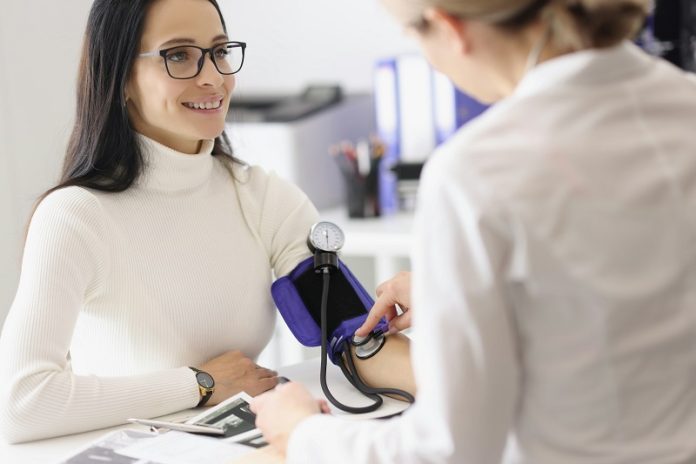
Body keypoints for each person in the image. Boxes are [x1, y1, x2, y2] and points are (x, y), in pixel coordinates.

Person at [250, 0, 696, 462]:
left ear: (449, 28)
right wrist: (471, 292)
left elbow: (448, 450)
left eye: (414, 37)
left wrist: (301, 432)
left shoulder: (477, 171)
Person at [0, 0, 310, 444]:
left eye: (219, 52)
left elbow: (353, 336)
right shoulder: (75, 216)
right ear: (122, 77)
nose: (213, 77)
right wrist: (198, 383)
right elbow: (19, 404)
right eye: (179, 55)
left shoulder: (263, 197)